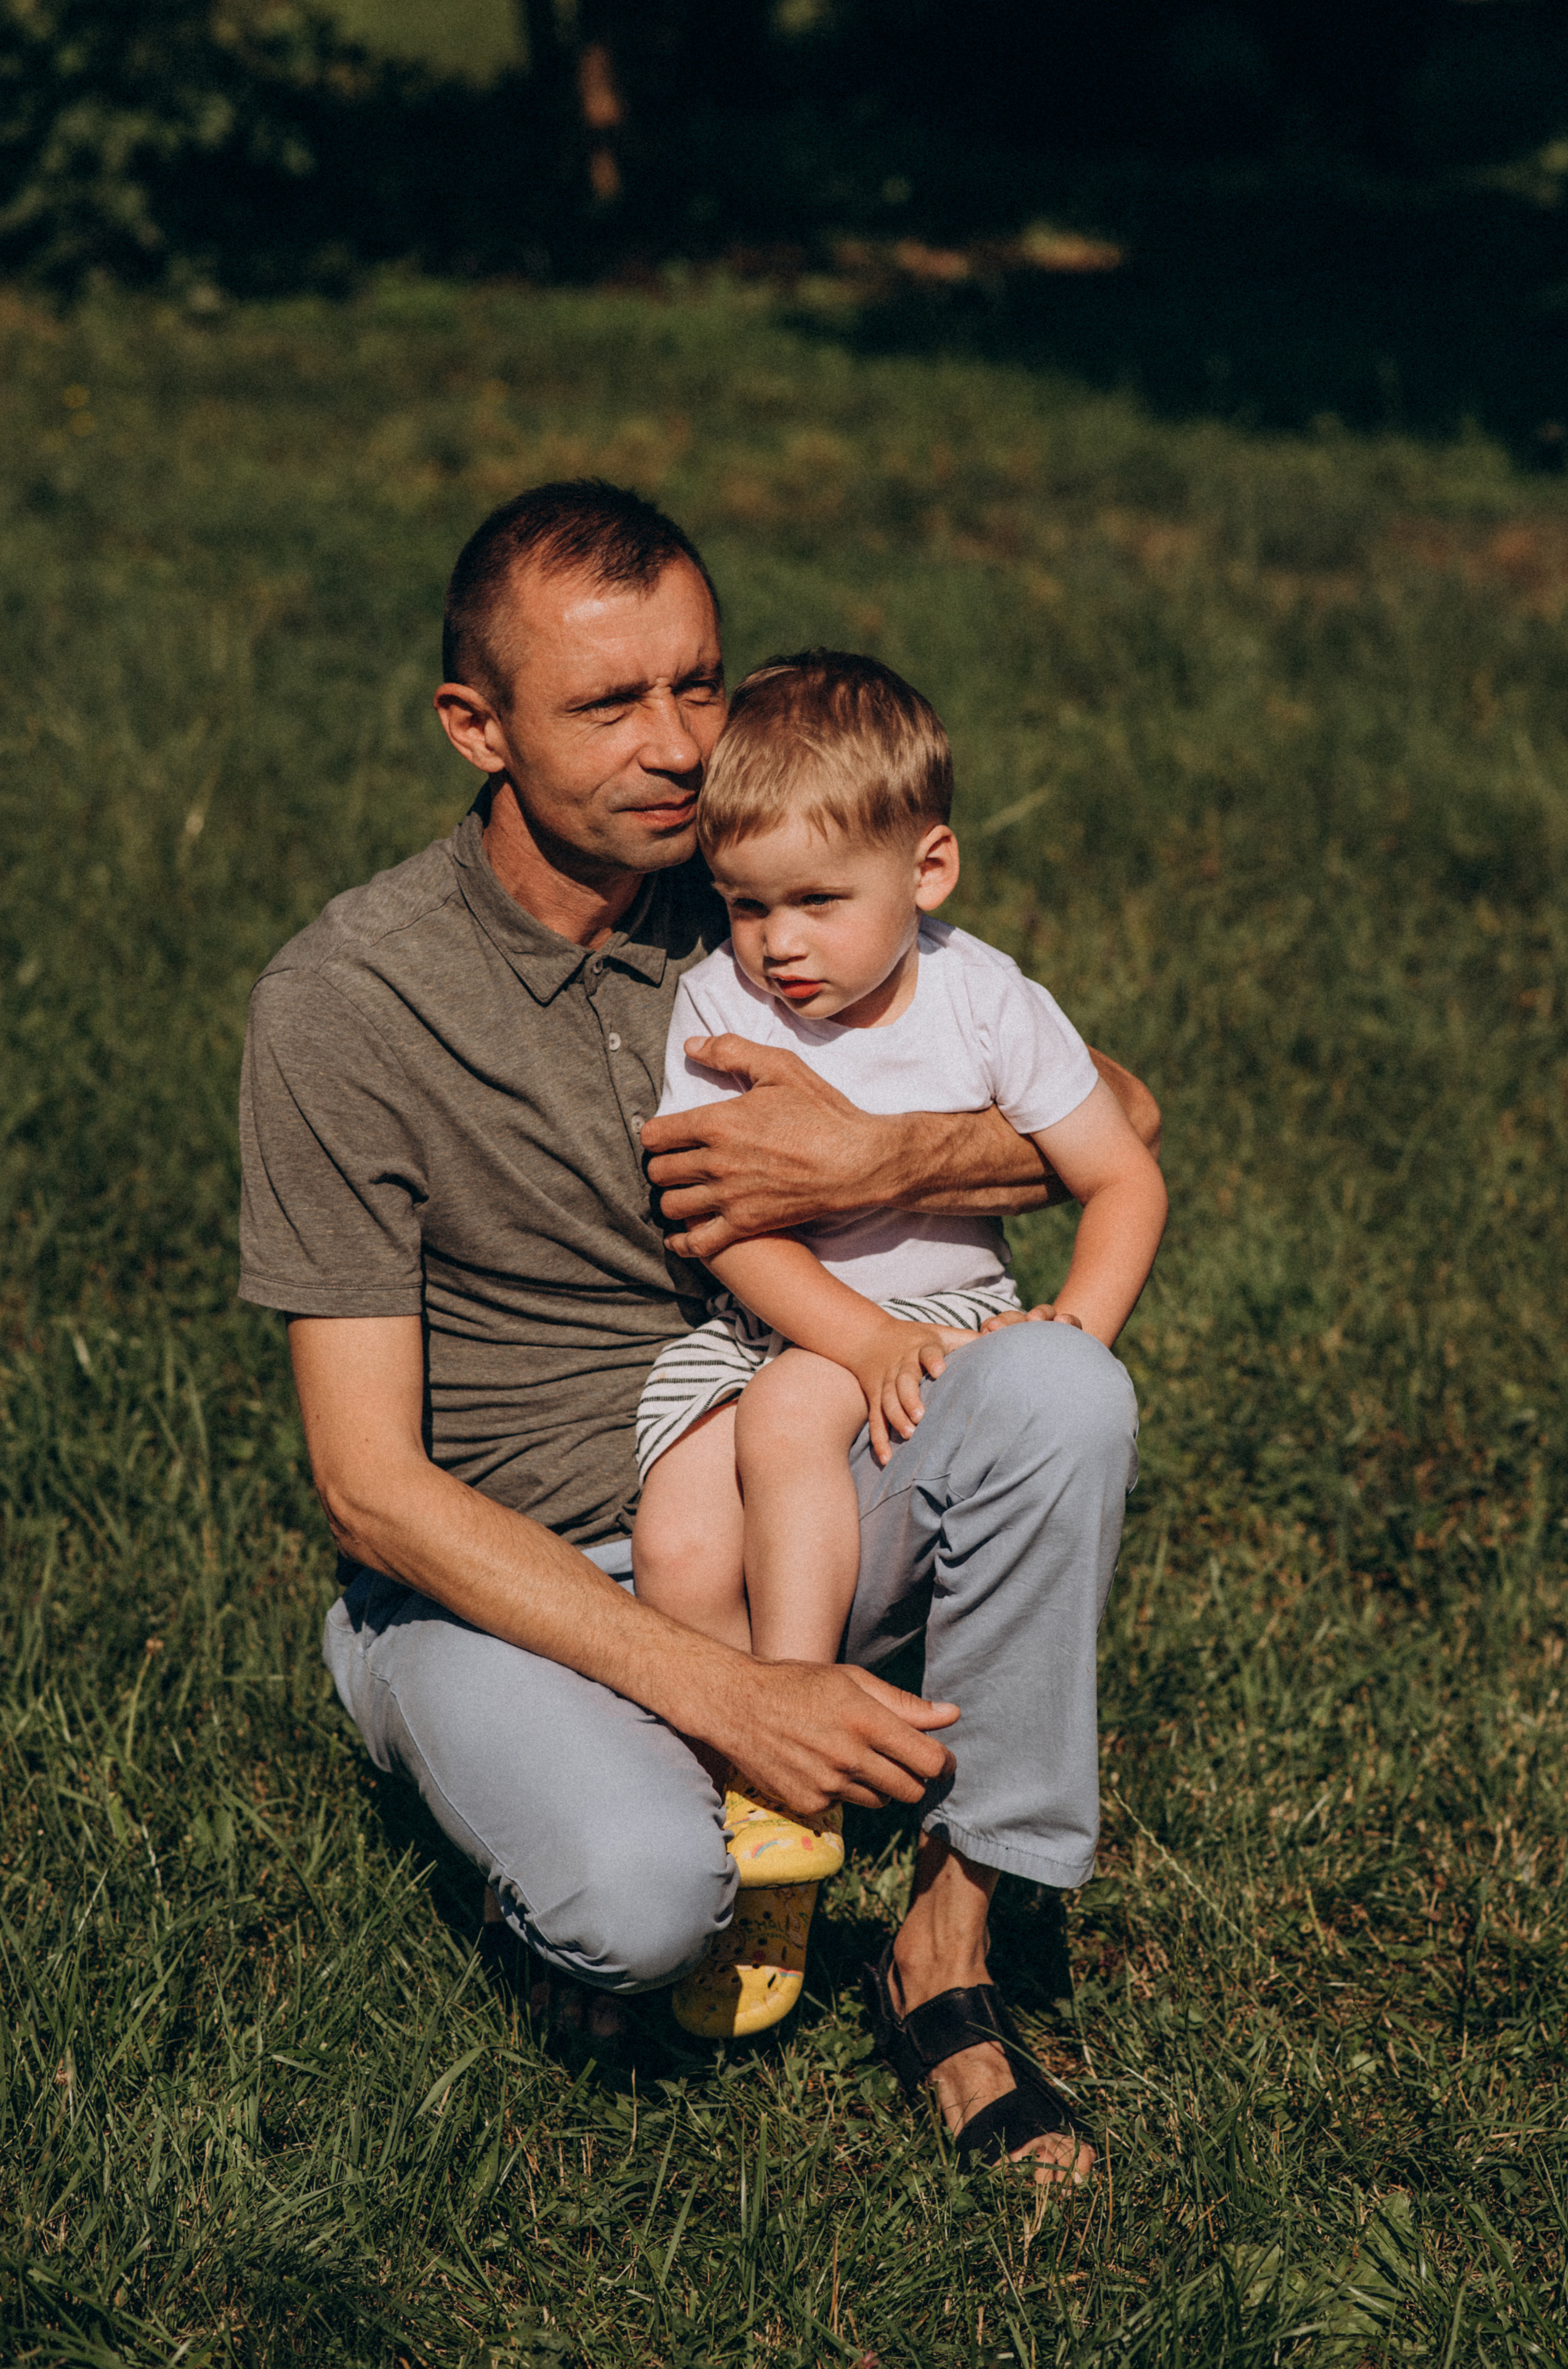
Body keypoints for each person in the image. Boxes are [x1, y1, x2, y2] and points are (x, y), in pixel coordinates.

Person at [238, 478, 1158, 2182]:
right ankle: (590, 1795)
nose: (678, 746)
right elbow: (366, 1487)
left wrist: (888, 1154)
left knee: (1057, 1389)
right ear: (475, 727)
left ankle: (953, 1948)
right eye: (609, 703)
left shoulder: (767, 886)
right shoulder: (346, 1004)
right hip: (505, 1573)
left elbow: (1126, 1114)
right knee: (641, 1904)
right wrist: (736, 1696)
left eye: (701, 683)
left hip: (786, 1489)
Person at [630, 651, 1166, 2037]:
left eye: (816, 901)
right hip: (765, 1319)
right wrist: (845, 1333)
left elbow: (1122, 1174)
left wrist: (1073, 1334)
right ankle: (734, 1816)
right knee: (681, 1534)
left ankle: (788, 1773)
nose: (776, 942)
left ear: (926, 870)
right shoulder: (717, 1004)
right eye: (745, 904)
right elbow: (724, 1227)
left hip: (928, 1329)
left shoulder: (985, 1003)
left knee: (790, 1421)